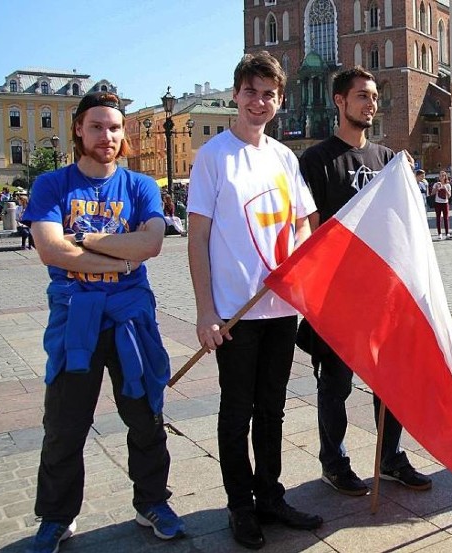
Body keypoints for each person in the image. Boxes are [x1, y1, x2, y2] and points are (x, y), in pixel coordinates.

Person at [23, 91, 184, 553]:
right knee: (65, 424)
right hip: (76, 321)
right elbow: (51, 249)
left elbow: (152, 243)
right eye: (96, 126)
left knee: (146, 417)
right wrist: (121, 257)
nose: (107, 136)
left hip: (131, 321)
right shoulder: (53, 185)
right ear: (79, 129)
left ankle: (152, 502)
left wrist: (88, 241)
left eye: (114, 127)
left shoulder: (140, 187)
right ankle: (56, 517)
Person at [187, 52, 322, 550]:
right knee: (235, 410)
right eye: (251, 91)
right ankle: (240, 506)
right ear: (236, 94)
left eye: (269, 94)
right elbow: (196, 237)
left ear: (279, 100)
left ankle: (270, 495)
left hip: (280, 307)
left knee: (273, 409)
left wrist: (298, 259)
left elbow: (303, 220)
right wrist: (205, 310)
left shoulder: (284, 157)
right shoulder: (213, 156)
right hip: (234, 312)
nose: (259, 101)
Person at [299, 66, 433, 497]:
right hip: (339, 295)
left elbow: (402, 225)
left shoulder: (388, 160)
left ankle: (390, 457)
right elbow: (313, 232)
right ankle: (333, 462)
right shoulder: (317, 160)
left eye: (374, 97)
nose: (371, 104)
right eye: (361, 96)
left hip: (383, 294)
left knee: (392, 381)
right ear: (340, 101)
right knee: (335, 384)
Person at [432, 171, 452, 240]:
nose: (441, 177)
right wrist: (437, 189)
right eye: (440, 176)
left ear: (445, 177)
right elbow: (432, 193)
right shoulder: (436, 184)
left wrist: (445, 189)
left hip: (445, 203)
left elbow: (449, 196)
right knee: (438, 218)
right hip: (437, 202)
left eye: (443, 176)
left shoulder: (448, 185)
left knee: (446, 218)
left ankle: (447, 233)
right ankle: (439, 234)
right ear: (439, 177)